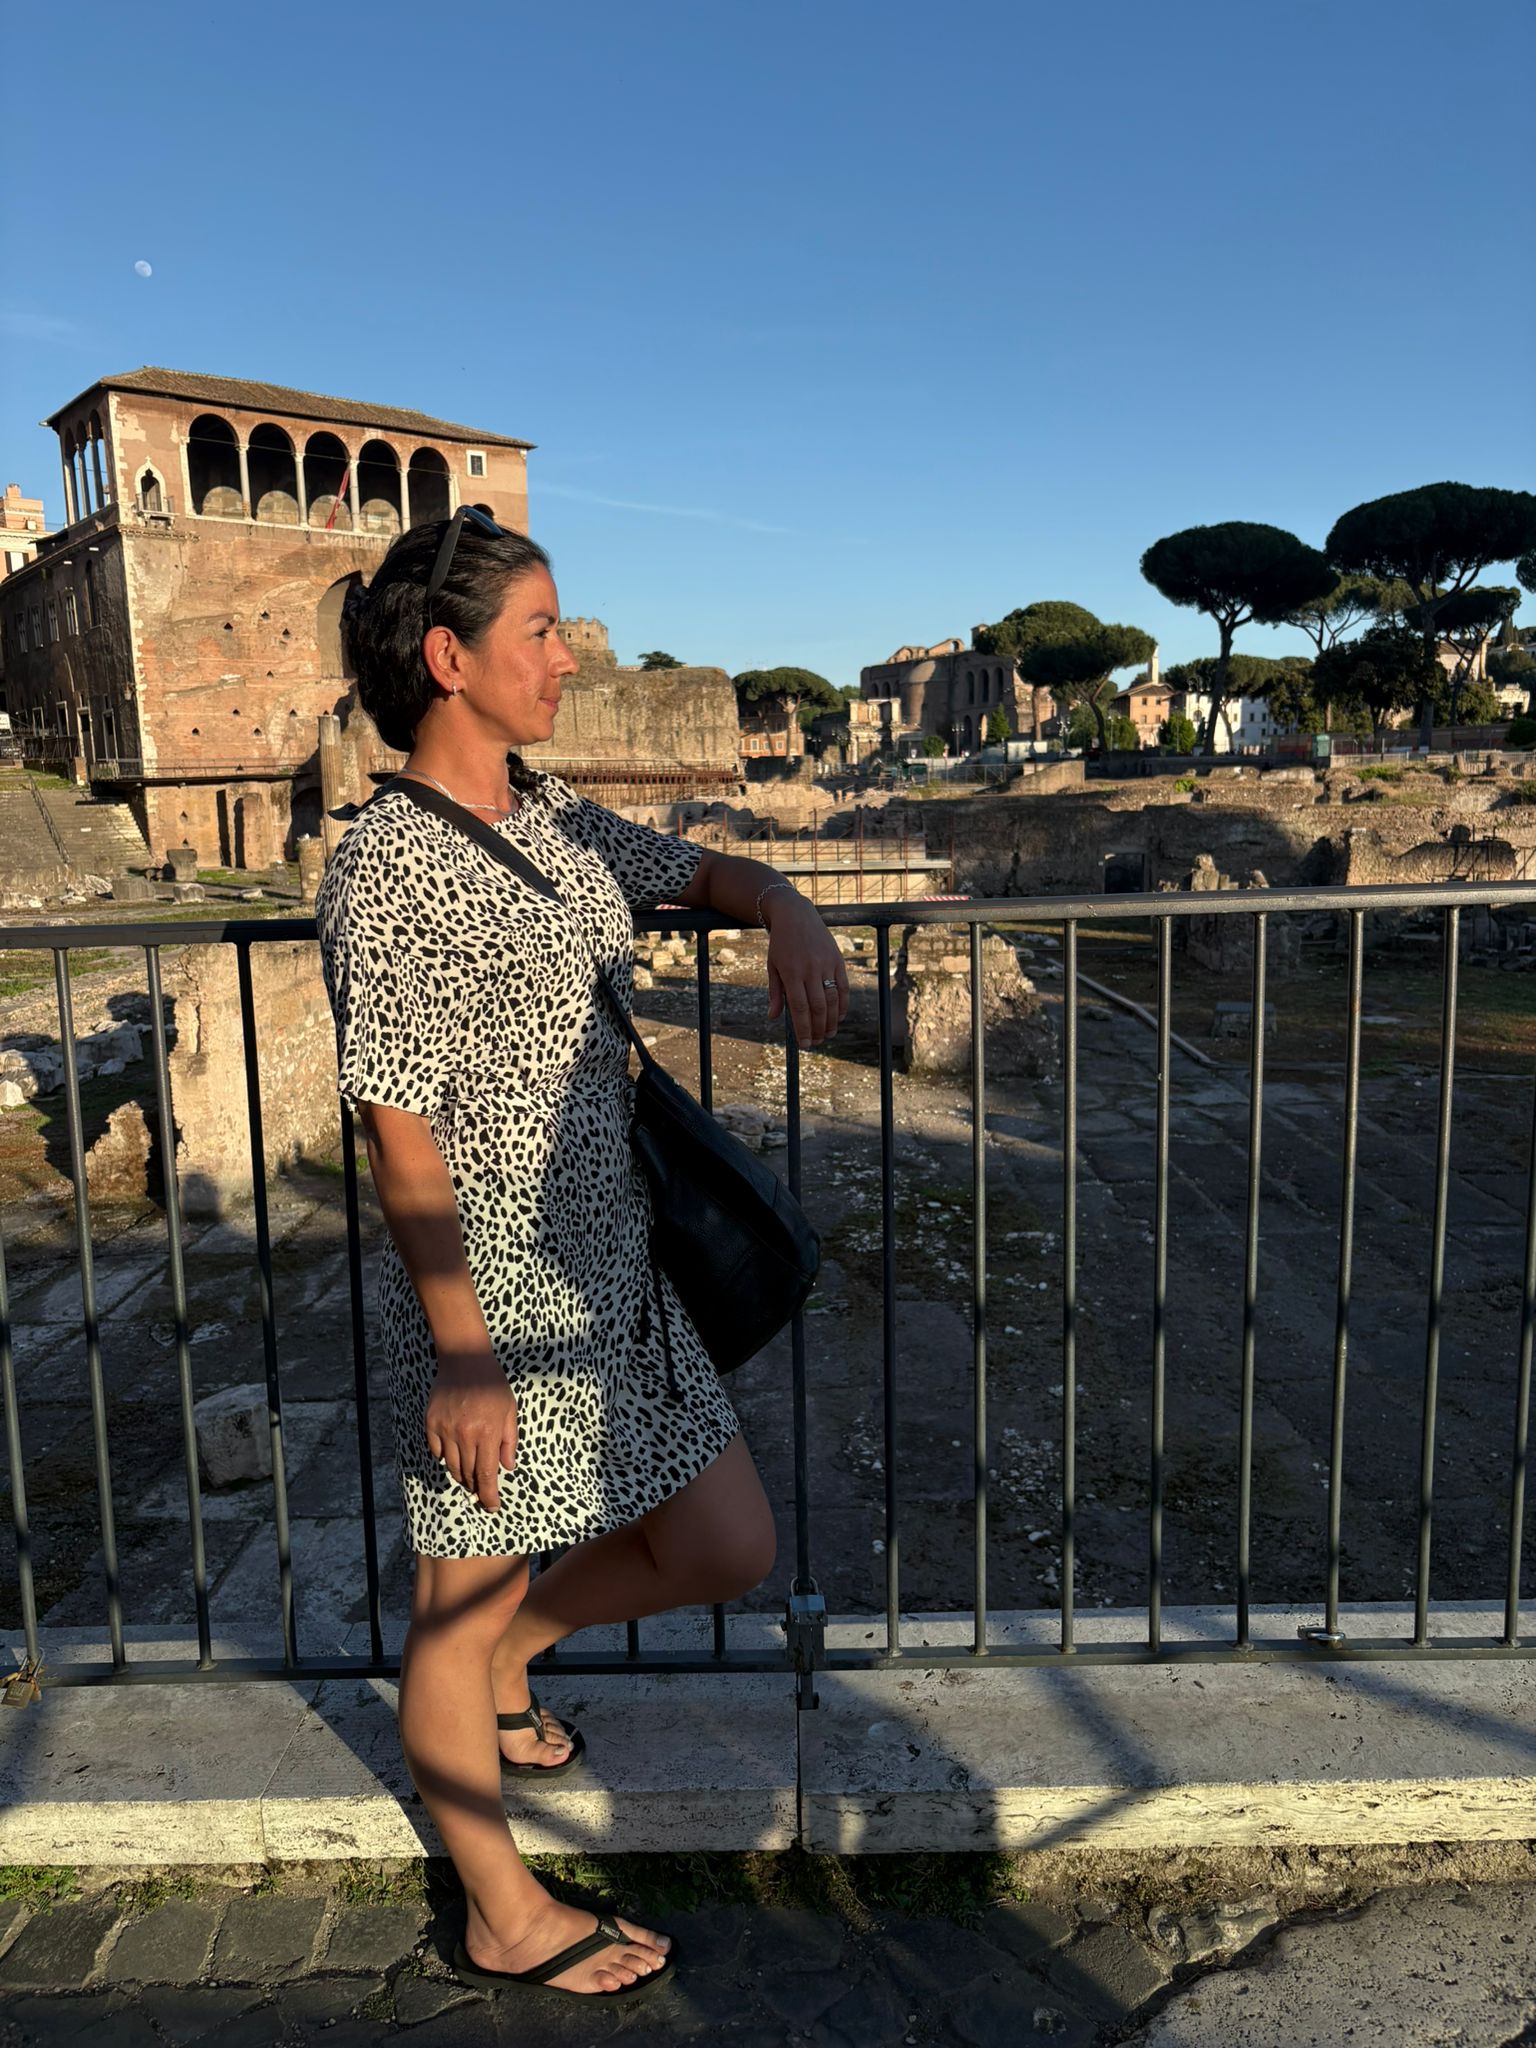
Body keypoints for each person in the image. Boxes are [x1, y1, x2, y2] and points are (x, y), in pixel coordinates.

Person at [315, 510, 847, 2004]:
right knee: (450, 1605)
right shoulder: (391, 874)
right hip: (490, 1295)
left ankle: (514, 1648)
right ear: (448, 659)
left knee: (724, 1544)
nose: (566, 658)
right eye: (539, 633)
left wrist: (790, 907)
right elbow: (397, 1128)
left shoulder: (545, 820)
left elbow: (700, 871)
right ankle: (496, 1905)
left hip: (617, 1263)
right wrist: (464, 1351)